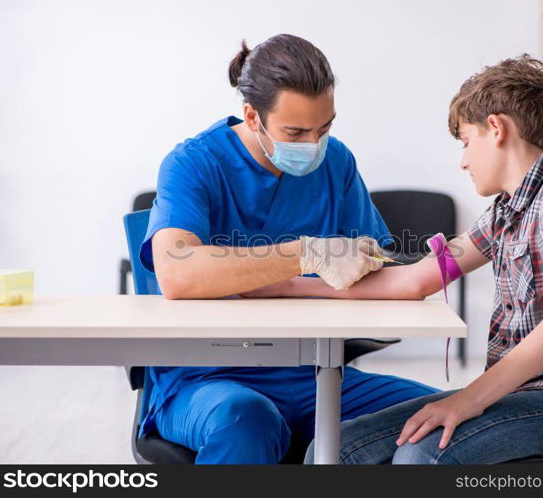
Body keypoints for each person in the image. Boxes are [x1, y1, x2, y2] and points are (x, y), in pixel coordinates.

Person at [247, 54, 543, 464]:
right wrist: (288, 283)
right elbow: (417, 280)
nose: (463, 160)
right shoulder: (507, 212)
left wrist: (470, 399)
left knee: (420, 456)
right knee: (335, 450)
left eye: (466, 142)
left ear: (497, 129)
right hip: (524, 394)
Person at [138, 34, 439, 464]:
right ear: (252, 116)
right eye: (295, 132)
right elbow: (177, 273)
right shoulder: (194, 164)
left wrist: (438, 264)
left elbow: (380, 270)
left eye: (325, 127)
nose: (313, 145)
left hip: (317, 376)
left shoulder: (336, 163)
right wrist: (308, 253)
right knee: (246, 420)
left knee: (448, 417)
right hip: (207, 380)